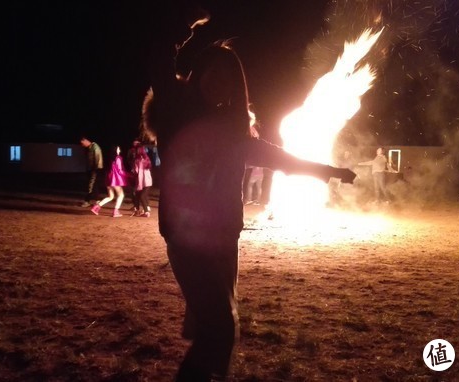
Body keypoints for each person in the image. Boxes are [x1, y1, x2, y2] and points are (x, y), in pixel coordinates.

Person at [143, 40, 356, 381]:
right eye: (214, 74)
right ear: (198, 75)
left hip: (224, 242)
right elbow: (159, 57)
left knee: (222, 326)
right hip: (188, 242)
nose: (220, 84)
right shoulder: (175, 114)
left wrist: (328, 171)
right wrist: (181, 23)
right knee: (221, 327)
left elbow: (278, 158)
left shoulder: (232, 131)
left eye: (229, 79)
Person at [91, 146, 126, 217]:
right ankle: (116, 211)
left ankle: (96, 207)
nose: (119, 150)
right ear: (116, 150)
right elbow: (120, 170)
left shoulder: (109, 159)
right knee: (121, 195)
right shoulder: (118, 158)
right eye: (118, 148)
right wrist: (129, 175)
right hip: (115, 180)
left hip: (108, 180)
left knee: (111, 196)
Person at [131, 141, 153, 217]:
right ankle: (141, 210)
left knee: (141, 196)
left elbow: (136, 171)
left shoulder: (137, 160)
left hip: (142, 182)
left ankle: (145, 211)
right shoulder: (146, 159)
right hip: (148, 181)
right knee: (140, 195)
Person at [80, 136, 104, 207]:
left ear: (86, 140)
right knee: (94, 185)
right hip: (91, 169)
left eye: (82, 143)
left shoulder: (95, 147)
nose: (82, 145)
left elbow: (97, 158)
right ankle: (97, 200)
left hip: (95, 169)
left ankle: (87, 200)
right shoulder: (89, 148)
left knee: (91, 185)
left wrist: (96, 168)